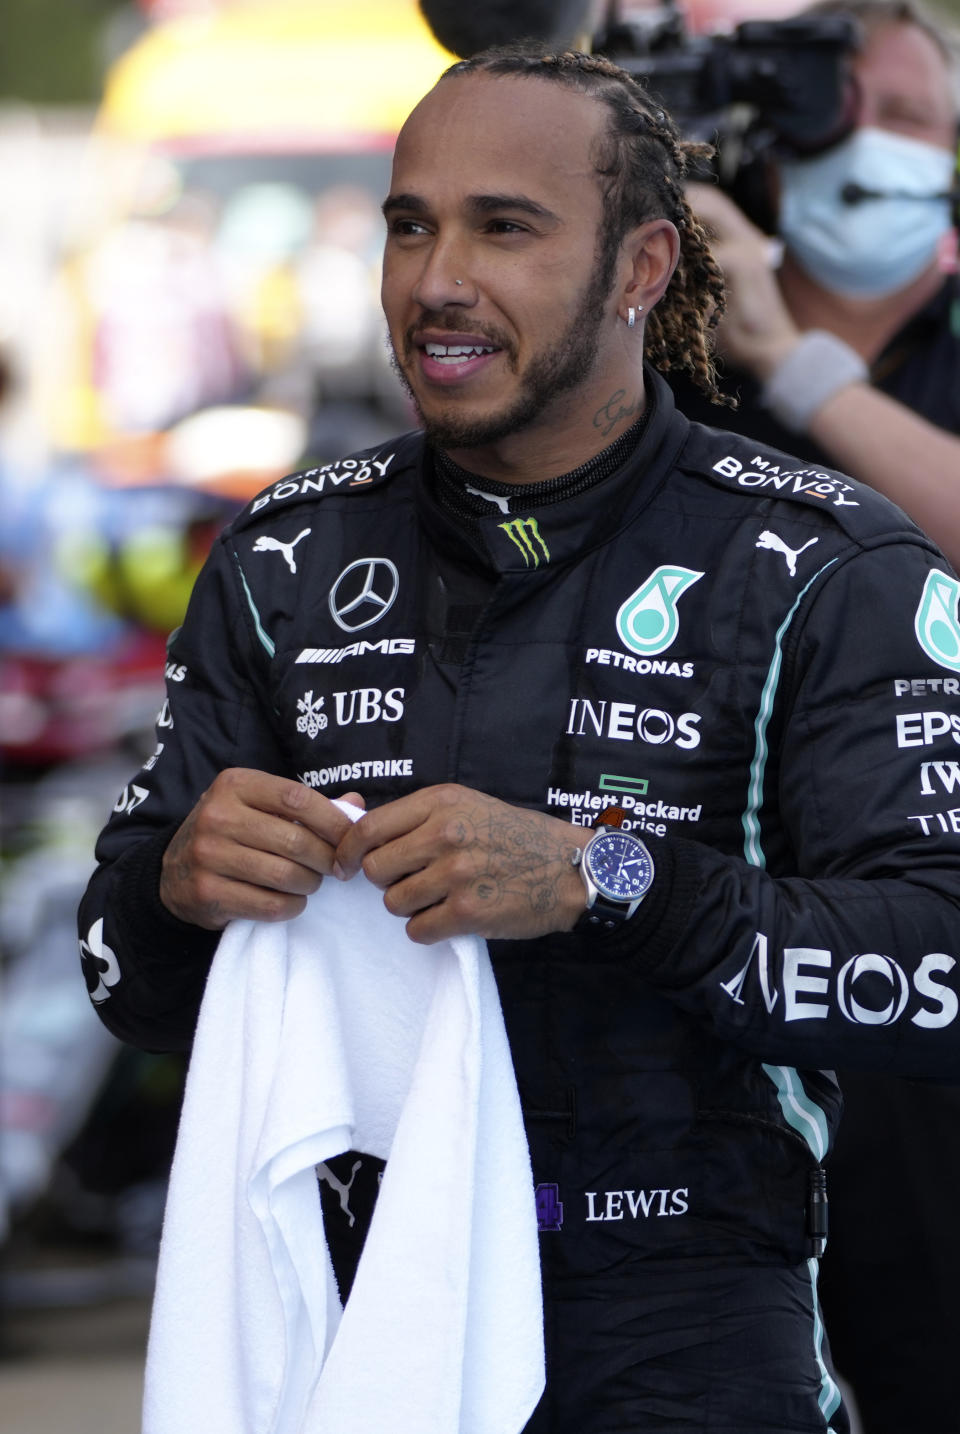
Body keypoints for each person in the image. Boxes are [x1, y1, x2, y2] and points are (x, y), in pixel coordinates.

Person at [78, 43, 960, 1434]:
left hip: (689, 1332)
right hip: (347, 1317)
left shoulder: (823, 564)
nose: (436, 280)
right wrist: (177, 883)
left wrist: (604, 877)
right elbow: (122, 972)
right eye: (410, 224)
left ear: (640, 268)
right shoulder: (284, 557)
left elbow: (941, 962)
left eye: (505, 226)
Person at [672, 6, 960, 1427]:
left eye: (927, 123)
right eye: (866, 113)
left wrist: (801, 367)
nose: (902, 155)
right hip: (711, 1014)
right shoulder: (658, 363)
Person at [676, 0, 960, 568]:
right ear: (761, 153)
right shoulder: (668, 336)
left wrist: (786, 360)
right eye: (827, 112)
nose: (863, 143)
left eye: (905, 114)